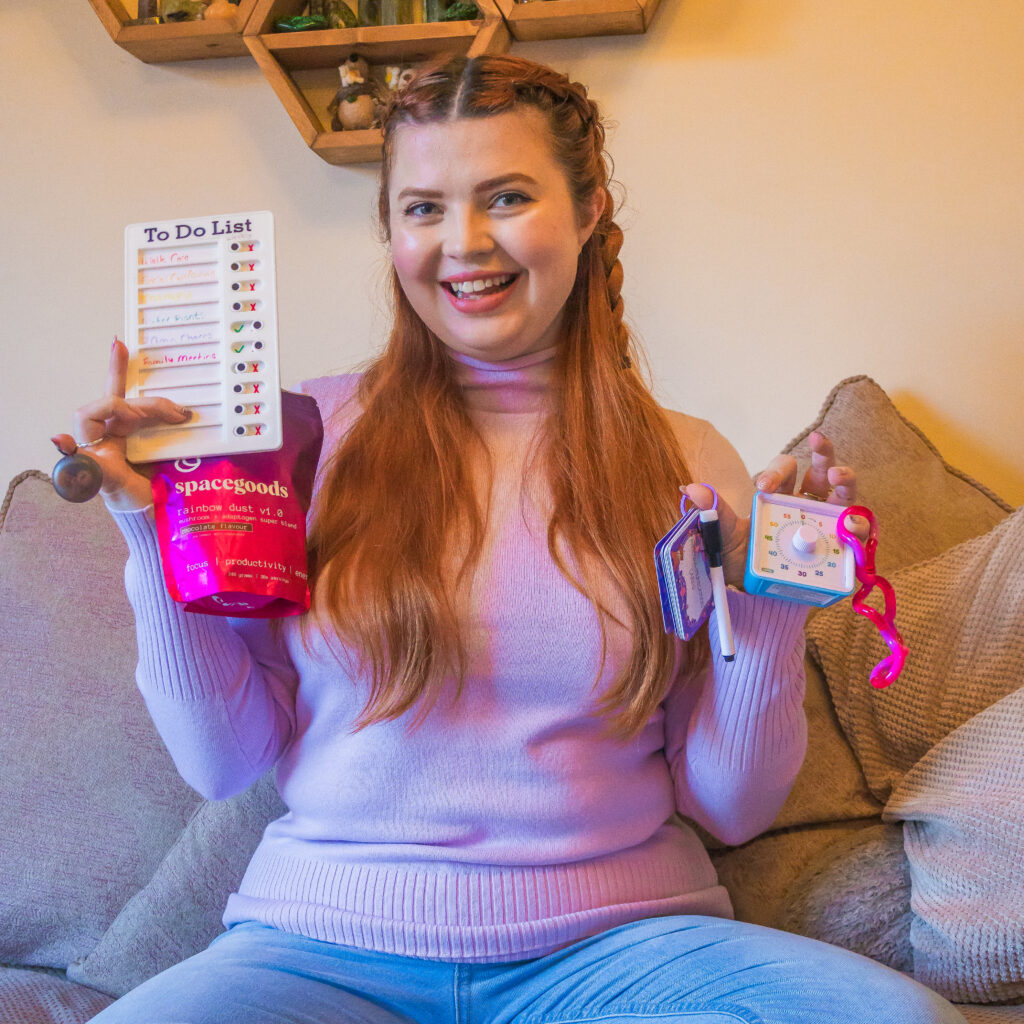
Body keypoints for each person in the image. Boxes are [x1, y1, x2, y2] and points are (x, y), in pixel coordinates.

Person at [56, 54, 965, 1024]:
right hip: (321, 949)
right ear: (390, 230)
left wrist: (769, 611)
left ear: (587, 212)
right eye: (424, 208)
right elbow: (223, 760)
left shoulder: (684, 455)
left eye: (506, 196)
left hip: (619, 949)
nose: (464, 242)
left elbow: (731, 805)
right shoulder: (305, 437)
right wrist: (146, 526)